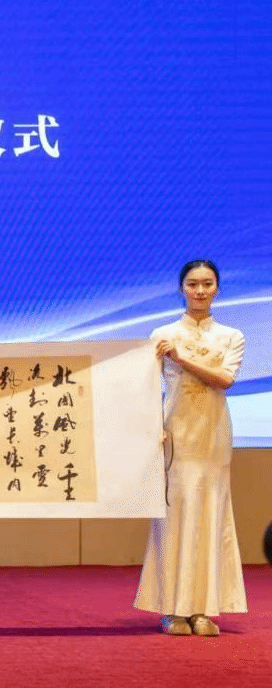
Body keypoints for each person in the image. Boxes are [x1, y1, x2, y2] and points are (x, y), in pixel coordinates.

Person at [134, 260, 247, 636]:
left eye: (207, 284)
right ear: (181, 288)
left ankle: (203, 610)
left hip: (212, 435)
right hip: (175, 434)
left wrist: (182, 358)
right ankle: (173, 610)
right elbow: (144, 386)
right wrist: (151, 426)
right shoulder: (162, 334)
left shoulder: (231, 336)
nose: (200, 291)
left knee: (210, 515)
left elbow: (225, 379)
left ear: (217, 288)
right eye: (193, 284)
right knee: (174, 518)